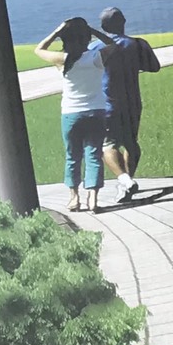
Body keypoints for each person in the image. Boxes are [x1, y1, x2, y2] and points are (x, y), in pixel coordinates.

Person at [36, 16, 111, 213]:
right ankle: (93, 198)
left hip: (71, 113)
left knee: (72, 157)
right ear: (87, 38)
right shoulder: (96, 57)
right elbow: (113, 45)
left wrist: (57, 32)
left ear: (65, 39)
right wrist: (93, 31)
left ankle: (74, 198)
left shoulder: (63, 60)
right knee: (94, 155)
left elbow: (39, 49)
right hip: (96, 111)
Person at [95, 7, 163, 202]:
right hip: (132, 103)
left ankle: (124, 180)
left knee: (107, 145)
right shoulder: (138, 44)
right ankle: (126, 183)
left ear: (102, 26)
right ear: (123, 22)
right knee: (131, 143)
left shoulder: (95, 47)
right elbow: (154, 67)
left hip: (107, 104)